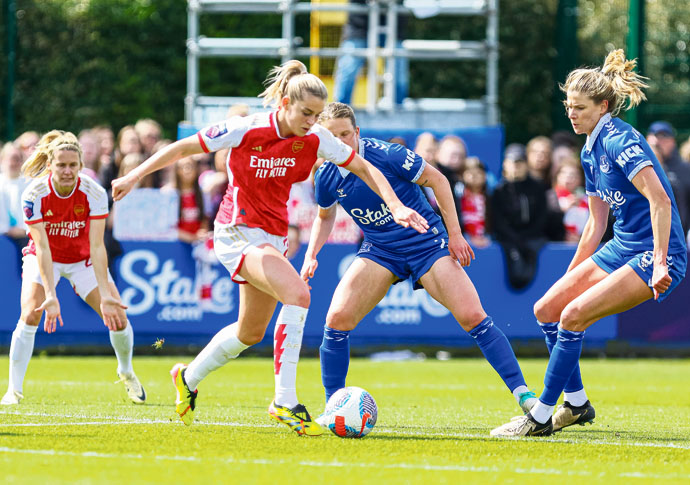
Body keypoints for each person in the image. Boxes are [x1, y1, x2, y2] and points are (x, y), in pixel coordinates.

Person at [111, 60, 428, 436]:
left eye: (316, 114)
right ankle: (285, 401)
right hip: (236, 232)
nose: (312, 121)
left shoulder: (314, 138)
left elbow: (364, 168)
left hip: (272, 236)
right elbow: (184, 147)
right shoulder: (246, 128)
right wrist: (133, 175)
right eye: (306, 113)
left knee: (249, 332)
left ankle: (187, 377)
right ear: (284, 103)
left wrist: (395, 204)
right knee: (298, 294)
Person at [491, 50, 687, 437]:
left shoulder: (618, 140)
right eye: (568, 106)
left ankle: (542, 416)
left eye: (580, 107)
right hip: (621, 246)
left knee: (572, 316)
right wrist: (573, 274)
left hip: (654, 253)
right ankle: (577, 404)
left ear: (603, 106)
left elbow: (660, 200)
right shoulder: (589, 149)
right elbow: (596, 222)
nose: (571, 114)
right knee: (548, 307)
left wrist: (662, 262)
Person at [301, 102, 538, 418]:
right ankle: (334, 407)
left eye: (347, 134)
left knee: (472, 316)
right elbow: (325, 216)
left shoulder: (387, 155)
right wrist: (311, 254)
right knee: (336, 319)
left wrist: (455, 235)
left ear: (357, 132)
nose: (343, 142)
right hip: (381, 251)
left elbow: (439, 180)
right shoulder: (327, 176)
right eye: (334, 137)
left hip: (427, 244)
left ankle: (526, 398)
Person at [1, 131, 146, 406]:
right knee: (30, 313)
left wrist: (105, 293)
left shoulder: (93, 192)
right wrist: (51, 295)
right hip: (46, 258)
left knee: (117, 315)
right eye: (61, 165)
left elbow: (98, 247)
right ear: (50, 165)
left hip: (82, 261)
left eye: (72, 165)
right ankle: (14, 391)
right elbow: (41, 247)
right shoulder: (34, 194)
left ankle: (126, 371)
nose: (67, 171)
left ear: (80, 165)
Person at [491, 143, 549, 289]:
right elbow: (498, 221)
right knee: (516, 274)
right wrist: (515, 239)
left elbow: (542, 217)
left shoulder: (537, 187)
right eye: (512, 162)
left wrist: (526, 237)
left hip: (533, 238)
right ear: (505, 164)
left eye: (520, 162)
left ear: (526, 164)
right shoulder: (499, 191)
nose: (516, 166)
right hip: (509, 240)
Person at [334, 0, 408, 106]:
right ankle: (339, 111)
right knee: (349, 65)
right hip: (359, 22)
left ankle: (399, 108)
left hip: (394, 22)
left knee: (398, 67)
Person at [646, 120, 690, 232]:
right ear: (647, 139)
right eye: (655, 136)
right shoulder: (638, 168)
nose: (658, 142)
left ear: (673, 141)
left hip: (677, 234)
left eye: (664, 137)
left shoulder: (685, 169)